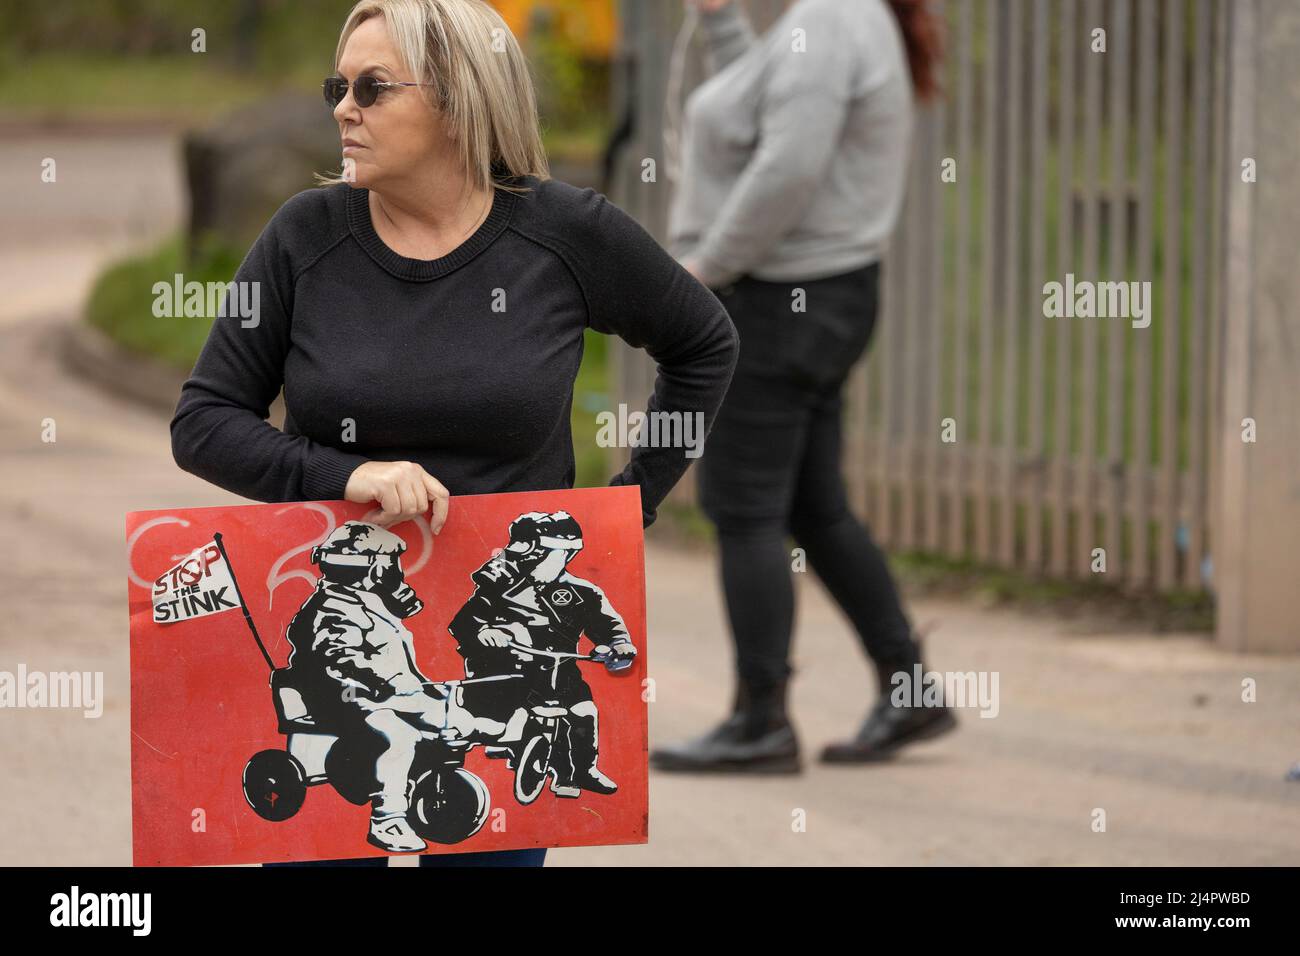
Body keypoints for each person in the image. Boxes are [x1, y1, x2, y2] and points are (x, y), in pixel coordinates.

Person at [170, 0, 738, 865]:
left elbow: (704, 342)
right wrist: (342, 475)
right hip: (346, 626)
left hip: (494, 640)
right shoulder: (303, 240)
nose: (342, 109)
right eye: (337, 85)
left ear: (458, 101)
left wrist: (626, 511)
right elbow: (204, 422)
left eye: (371, 88)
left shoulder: (564, 234)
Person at [652, 0, 955, 774]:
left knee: (744, 510)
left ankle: (760, 720)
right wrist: (722, 24)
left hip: (779, 298)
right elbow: (758, 117)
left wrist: (697, 274)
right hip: (824, 296)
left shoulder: (830, 20)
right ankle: (908, 686)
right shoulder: (834, 20)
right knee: (815, 509)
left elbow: (787, 166)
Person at [447, 511, 636, 796]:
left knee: (584, 713)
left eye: (541, 553)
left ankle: (583, 770)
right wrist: (484, 631)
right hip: (508, 670)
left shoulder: (585, 593)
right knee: (490, 717)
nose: (528, 559)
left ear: (565, 553)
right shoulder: (498, 583)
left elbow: (610, 627)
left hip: (562, 672)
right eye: (524, 553)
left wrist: (619, 645)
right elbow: (463, 622)